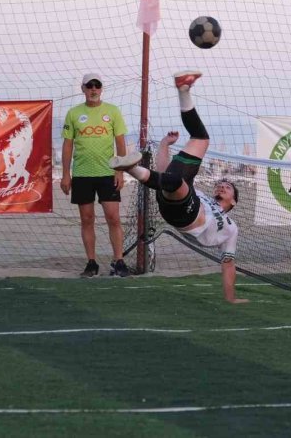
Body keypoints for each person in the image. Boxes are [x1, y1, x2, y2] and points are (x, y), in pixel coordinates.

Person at [109, 71, 248, 304]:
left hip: (188, 217)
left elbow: (228, 263)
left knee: (178, 182)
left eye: (228, 187)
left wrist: (231, 298)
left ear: (233, 201)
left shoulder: (231, 228)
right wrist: (164, 144)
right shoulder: (204, 195)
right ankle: (184, 90)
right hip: (178, 200)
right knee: (201, 139)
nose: (223, 186)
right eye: (222, 183)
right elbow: (166, 174)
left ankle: (132, 168)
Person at [61, 73, 130, 278]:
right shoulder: (73, 113)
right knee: (87, 219)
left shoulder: (112, 111)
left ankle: (119, 261)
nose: (93, 89)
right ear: (83, 89)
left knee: (113, 217)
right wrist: (66, 174)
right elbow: (67, 145)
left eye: (97, 86)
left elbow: (120, 143)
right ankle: (91, 263)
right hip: (82, 175)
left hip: (107, 173)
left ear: (101, 89)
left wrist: (120, 170)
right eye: (89, 86)